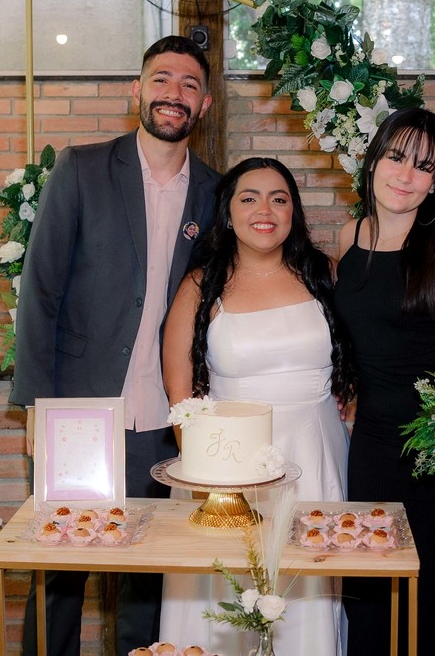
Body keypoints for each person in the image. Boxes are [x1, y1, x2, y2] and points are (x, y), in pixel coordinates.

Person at [9, 35, 219, 656]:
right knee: (60, 571)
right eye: (162, 79)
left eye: (189, 85)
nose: (174, 93)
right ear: (137, 90)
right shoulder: (82, 168)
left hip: (165, 417)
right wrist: (36, 405)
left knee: (146, 578)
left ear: (205, 104)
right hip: (77, 409)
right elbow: (40, 290)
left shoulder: (216, 192)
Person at [159, 157, 354, 655]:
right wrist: (211, 477)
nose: (264, 210)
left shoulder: (326, 275)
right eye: (249, 198)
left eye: (278, 199)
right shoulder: (200, 286)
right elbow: (180, 392)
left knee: (305, 585)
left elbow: (363, 357)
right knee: (225, 588)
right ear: (228, 213)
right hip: (229, 464)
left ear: (293, 213)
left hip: (314, 452)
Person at [334, 107, 435, 655]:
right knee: (368, 599)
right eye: (396, 157)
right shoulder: (349, 239)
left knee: (429, 605)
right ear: (373, 160)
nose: (406, 175)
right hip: (372, 449)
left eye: (424, 167)